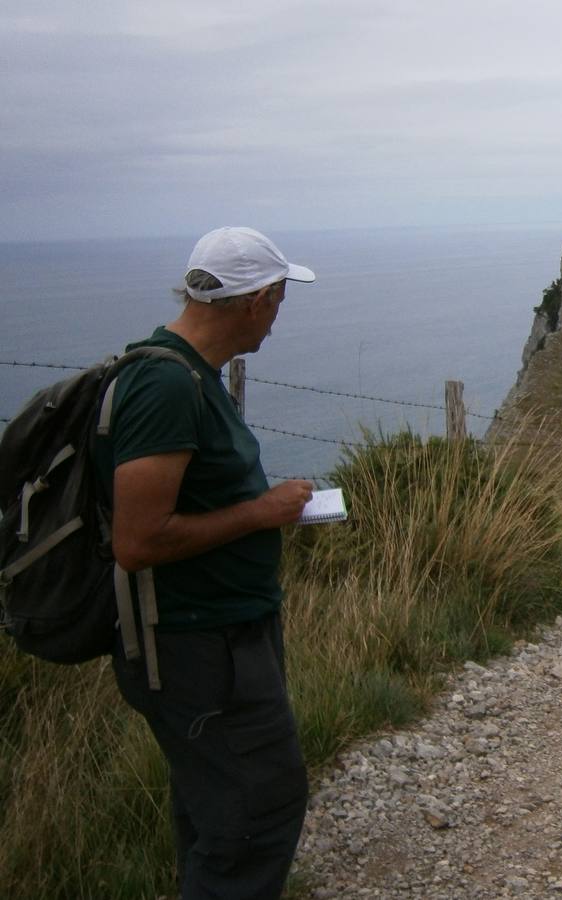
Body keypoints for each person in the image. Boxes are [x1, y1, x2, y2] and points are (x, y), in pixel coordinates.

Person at [94, 226, 317, 899]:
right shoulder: (166, 387)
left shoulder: (191, 375)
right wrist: (263, 512)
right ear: (259, 299)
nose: (278, 321)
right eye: (279, 302)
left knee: (218, 812)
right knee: (258, 813)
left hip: (216, 639)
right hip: (199, 649)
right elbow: (137, 541)